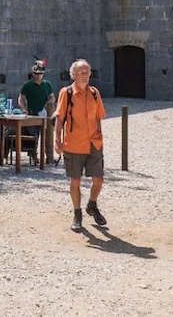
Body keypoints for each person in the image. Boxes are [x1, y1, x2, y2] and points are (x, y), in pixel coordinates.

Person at [55, 59, 107, 232]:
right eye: (81, 73)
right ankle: (77, 214)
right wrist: (57, 140)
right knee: (75, 181)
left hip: (94, 142)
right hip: (74, 143)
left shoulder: (94, 93)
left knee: (98, 180)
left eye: (87, 72)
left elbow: (98, 116)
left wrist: (100, 136)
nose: (84, 76)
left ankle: (92, 205)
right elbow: (60, 117)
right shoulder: (67, 92)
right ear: (74, 75)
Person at [18, 59, 57, 162]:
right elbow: (21, 98)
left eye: (40, 74)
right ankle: (33, 154)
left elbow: (52, 97)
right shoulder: (27, 85)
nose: (38, 76)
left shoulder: (47, 84)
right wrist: (23, 109)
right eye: (36, 73)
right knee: (34, 135)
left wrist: (50, 103)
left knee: (48, 135)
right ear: (33, 73)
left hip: (45, 113)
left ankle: (49, 156)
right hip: (32, 113)